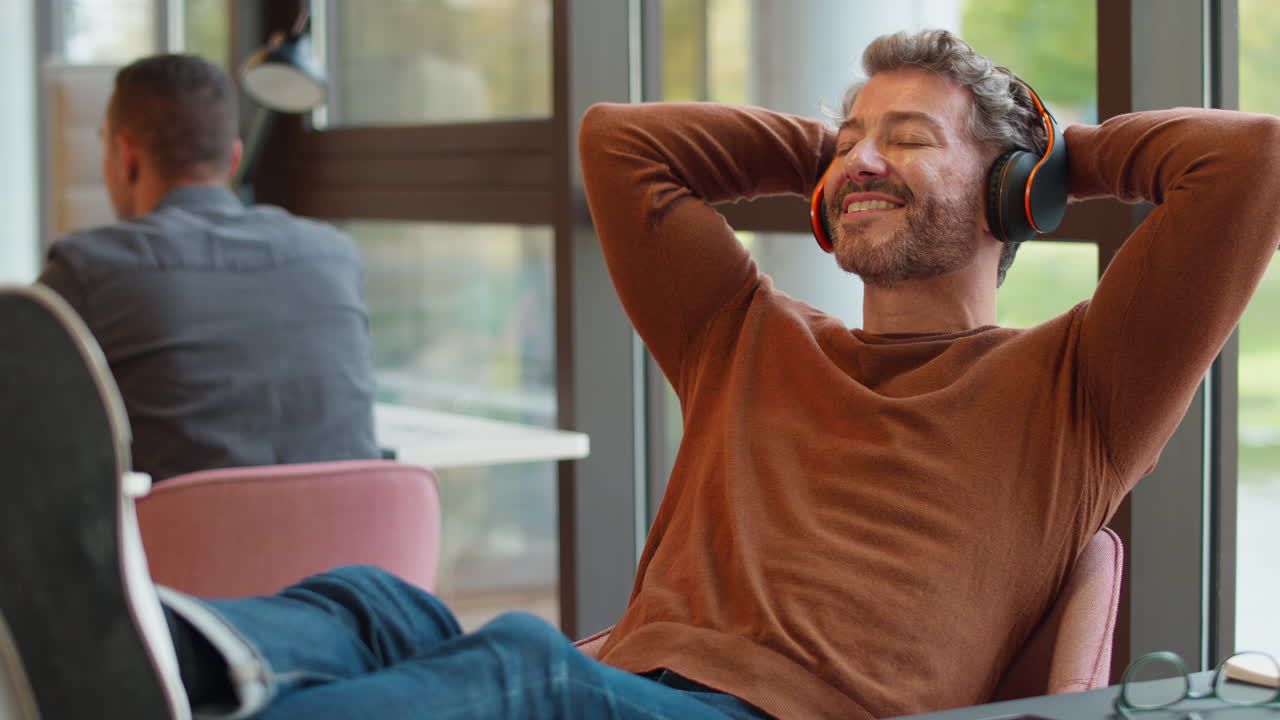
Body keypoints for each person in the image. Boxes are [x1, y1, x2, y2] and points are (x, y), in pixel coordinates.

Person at [3, 28, 1279, 720]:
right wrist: (845, 157)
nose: (858, 159)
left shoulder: (1076, 389)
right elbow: (621, 144)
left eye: (905, 138)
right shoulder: (747, 330)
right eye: (842, 140)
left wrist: (1047, 160)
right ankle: (162, 658)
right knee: (370, 604)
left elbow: (1249, 162)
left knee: (516, 665)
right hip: (629, 683)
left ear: (1009, 189)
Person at [36, 53, 379, 481]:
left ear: (126, 157)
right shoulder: (335, 256)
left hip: (177, 546)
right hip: (352, 544)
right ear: (233, 159)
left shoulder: (87, 272)